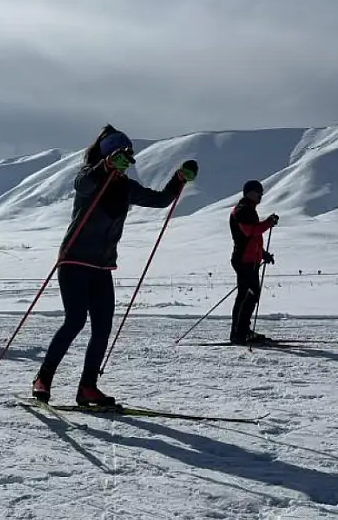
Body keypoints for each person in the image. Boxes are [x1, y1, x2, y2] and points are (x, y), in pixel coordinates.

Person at [32, 124, 198, 407]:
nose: (126, 163)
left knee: (102, 326)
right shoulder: (90, 177)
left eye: (129, 158)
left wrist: (178, 180)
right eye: (121, 157)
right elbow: (82, 184)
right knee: (75, 321)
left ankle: (87, 387)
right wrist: (105, 167)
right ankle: (43, 378)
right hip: (74, 260)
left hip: (102, 266)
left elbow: (159, 200)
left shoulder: (126, 188)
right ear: (108, 156)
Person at [229, 180, 278, 345]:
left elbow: (252, 239)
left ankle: (242, 331)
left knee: (248, 295)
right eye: (258, 192)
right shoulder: (242, 210)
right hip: (244, 261)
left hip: (249, 260)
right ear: (249, 192)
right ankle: (239, 333)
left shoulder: (248, 210)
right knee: (247, 296)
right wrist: (268, 223)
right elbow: (251, 231)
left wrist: (263, 254)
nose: (261, 195)